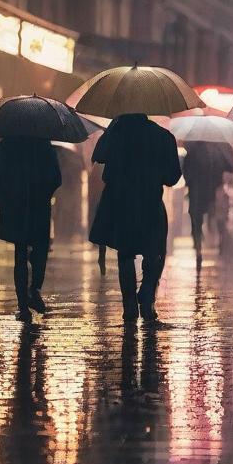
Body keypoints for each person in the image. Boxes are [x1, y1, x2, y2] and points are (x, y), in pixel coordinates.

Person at [89, 113, 182, 324]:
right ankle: (147, 295)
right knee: (154, 252)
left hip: (121, 203)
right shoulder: (162, 136)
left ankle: (129, 304)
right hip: (150, 202)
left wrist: (112, 127)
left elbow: (99, 156)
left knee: (125, 254)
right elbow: (173, 177)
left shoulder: (116, 134)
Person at [0, 137, 62, 321]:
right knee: (40, 249)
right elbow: (56, 178)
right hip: (39, 206)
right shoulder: (43, 144)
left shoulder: (8, 143)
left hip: (15, 206)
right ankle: (35, 289)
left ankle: (23, 305)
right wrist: (43, 193)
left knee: (20, 253)